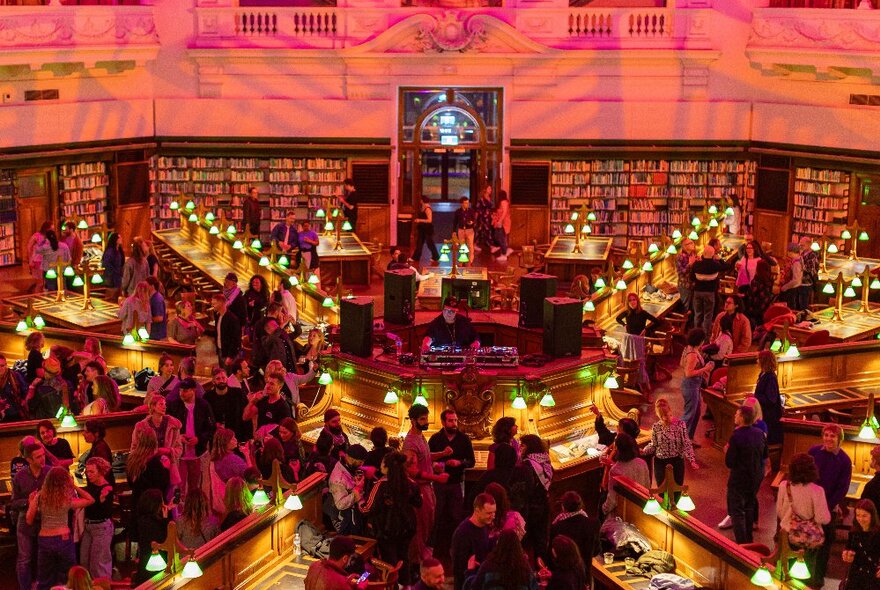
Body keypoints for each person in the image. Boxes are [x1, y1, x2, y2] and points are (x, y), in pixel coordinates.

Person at [27, 466, 95, 589]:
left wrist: (32, 501)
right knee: (68, 577)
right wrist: (74, 486)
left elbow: (29, 520)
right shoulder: (66, 499)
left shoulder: (40, 497)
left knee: (45, 579)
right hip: (63, 538)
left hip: (45, 539)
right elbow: (90, 500)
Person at [360, 451, 422, 584]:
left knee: (389, 561)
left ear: (387, 466)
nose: (380, 464)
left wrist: (358, 497)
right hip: (406, 528)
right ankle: (406, 585)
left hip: (386, 529)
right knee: (404, 558)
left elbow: (367, 509)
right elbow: (419, 502)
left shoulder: (381, 485)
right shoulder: (410, 483)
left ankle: (391, 585)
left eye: (383, 462)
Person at [404, 404, 449, 564]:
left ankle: (422, 554)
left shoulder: (420, 436)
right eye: (422, 419)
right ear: (413, 420)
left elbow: (426, 456)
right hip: (420, 490)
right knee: (420, 527)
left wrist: (440, 456)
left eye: (426, 418)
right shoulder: (410, 443)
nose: (426, 422)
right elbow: (412, 471)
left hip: (428, 489)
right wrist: (437, 478)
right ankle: (416, 561)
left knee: (428, 524)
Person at [777, 453, 831, 585]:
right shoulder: (817, 490)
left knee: (787, 571)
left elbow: (779, 512)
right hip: (809, 539)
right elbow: (823, 518)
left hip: (788, 534)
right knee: (806, 575)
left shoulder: (785, 486)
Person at [809, 423, 853, 586]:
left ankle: (818, 577)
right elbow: (808, 476)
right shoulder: (814, 452)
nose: (828, 438)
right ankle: (803, 573)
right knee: (807, 542)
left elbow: (842, 489)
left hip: (829, 509)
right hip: (810, 507)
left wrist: (825, 507)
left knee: (824, 545)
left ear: (839, 439)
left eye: (832, 436)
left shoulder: (844, 461)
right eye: (826, 435)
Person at [428, 409, 476, 554]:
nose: (454, 423)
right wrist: (434, 466)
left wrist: (459, 463)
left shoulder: (464, 439)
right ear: (443, 422)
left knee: (456, 517)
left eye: (455, 420)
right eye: (450, 420)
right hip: (438, 484)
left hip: (456, 483)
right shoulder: (435, 439)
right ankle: (432, 549)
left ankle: (456, 548)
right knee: (435, 517)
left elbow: (471, 461)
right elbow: (427, 460)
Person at [724, 405, 767, 544]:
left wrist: (727, 451)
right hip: (755, 477)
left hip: (739, 478)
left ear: (742, 418)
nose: (735, 416)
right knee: (749, 506)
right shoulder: (759, 433)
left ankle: (741, 544)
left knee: (737, 510)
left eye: (737, 414)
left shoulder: (736, 436)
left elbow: (730, 462)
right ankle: (749, 540)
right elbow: (764, 454)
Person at [168, 377, 216, 499]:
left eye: (185, 390)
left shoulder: (203, 406)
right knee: (180, 486)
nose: (181, 393)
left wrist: (199, 439)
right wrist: (179, 437)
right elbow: (169, 429)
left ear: (193, 390)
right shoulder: (174, 406)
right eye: (180, 390)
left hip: (197, 453)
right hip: (180, 455)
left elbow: (211, 428)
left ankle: (193, 508)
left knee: (195, 486)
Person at [12, 442, 50, 590]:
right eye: (38, 457)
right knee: (24, 559)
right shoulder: (20, 476)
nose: (43, 459)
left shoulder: (50, 472)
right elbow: (14, 502)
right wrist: (29, 501)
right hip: (26, 523)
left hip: (46, 521)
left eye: (43, 455)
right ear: (29, 460)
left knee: (44, 558)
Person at [643, 398, 698, 488]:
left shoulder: (680, 424)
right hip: (660, 462)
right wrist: (644, 450)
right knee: (661, 491)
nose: (665, 418)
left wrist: (692, 460)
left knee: (677, 490)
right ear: (658, 415)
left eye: (667, 415)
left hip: (677, 461)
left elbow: (686, 443)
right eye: (662, 416)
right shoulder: (656, 427)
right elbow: (654, 445)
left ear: (670, 411)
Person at [515, 434, 553, 560]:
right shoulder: (544, 459)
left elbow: (526, 489)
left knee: (529, 541)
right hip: (544, 504)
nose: (520, 447)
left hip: (532, 508)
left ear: (529, 447)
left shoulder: (528, 465)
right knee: (541, 540)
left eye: (523, 445)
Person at [451, 492, 497, 590]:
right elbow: (458, 568)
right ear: (477, 511)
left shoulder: (485, 526)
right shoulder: (462, 533)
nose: (493, 516)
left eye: (494, 512)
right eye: (489, 513)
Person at [80, 457, 115, 580]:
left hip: (101, 528)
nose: (88, 475)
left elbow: (93, 500)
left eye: (91, 472)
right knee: (84, 561)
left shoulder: (107, 488)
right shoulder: (92, 485)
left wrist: (74, 486)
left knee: (98, 565)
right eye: (87, 472)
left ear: (100, 471)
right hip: (89, 526)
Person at [467, 529, 537, 590]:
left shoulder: (488, 566)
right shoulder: (525, 569)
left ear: (499, 544)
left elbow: (473, 587)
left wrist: (470, 572)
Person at [616, 292, 658, 393]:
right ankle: (632, 381)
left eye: (634, 300)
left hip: (638, 340)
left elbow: (656, 321)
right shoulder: (627, 312)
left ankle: (643, 382)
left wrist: (646, 329)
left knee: (639, 362)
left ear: (637, 301)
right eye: (630, 300)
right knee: (628, 361)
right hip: (629, 339)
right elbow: (617, 318)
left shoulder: (643, 313)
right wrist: (624, 325)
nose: (632, 302)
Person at [602, 433, 649, 515]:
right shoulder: (642, 463)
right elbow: (647, 487)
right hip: (641, 507)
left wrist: (604, 509)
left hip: (625, 511)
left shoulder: (615, 470)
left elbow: (612, 500)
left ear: (617, 449)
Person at [549, 491, 599, 570]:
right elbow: (597, 550)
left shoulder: (557, 527)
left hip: (564, 573)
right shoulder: (593, 524)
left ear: (563, 507)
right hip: (584, 572)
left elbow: (551, 554)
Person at [680, 328, 714, 440]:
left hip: (693, 385)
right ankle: (678, 438)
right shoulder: (692, 355)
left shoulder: (689, 349)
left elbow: (682, 364)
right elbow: (688, 373)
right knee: (689, 414)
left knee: (696, 412)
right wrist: (705, 369)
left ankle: (688, 438)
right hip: (691, 385)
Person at [328, 443, 369, 535]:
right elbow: (340, 504)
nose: (362, 464)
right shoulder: (339, 479)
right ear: (350, 459)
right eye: (360, 462)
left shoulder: (346, 466)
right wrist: (356, 492)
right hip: (344, 518)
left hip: (353, 513)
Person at [304, 535, 369, 590]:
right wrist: (360, 588)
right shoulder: (341, 584)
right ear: (345, 558)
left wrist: (346, 580)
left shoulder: (314, 565)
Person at [133, 488, 169, 584]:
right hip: (155, 566)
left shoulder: (142, 520)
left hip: (145, 563)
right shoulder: (153, 524)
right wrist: (165, 520)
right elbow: (164, 541)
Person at [690, 244, 728, 336]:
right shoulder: (715, 265)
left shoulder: (696, 265)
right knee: (708, 315)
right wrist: (720, 259)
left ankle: (695, 335)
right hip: (709, 292)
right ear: (713, 254)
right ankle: (705, 337)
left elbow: (692, 278)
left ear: (703, 253)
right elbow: (726, 267)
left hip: (698, 292)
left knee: (697, 314)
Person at [842, 498, 880, 590]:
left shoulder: (878, 533)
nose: (860, 519)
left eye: (864, 516)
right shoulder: (854, 532)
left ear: (872, 516)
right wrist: (846, 555)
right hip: (855, 573)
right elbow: (848, 548)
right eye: (858, 515)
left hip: (872, 574)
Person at [205, 367, 248, 441]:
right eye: (218, 379)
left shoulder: (238, 394)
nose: (221, 380)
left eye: (223, 378)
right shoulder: (207, 397)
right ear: (213, 381)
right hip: (217, 437)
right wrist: (214, 425)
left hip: (237, 436)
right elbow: (205, 417)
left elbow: (246, 415)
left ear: (227, 378)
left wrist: (248, 437)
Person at [753, 350, 783, 449]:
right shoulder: (763, 373)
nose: (757, 361)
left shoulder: (770, 377)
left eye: (759, 359)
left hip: (769, 416)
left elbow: (771, 399)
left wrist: (754, 396)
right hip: (763, 412)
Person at [213, 291, 242, 366]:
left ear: (222, 303)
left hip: (228, 354)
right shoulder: (218, 316)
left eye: (214, 303)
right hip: (221, 350)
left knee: (229, 375)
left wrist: (230, 356)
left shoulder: (232, 319)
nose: (213, 305)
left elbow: (236, 339)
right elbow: (218, 332)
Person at [411, 195, 440, 265]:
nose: (420, 201)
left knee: (430, 243)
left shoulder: (427, 208)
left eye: (421, 200)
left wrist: (419, 220)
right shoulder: (423, 207)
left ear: (422, 200)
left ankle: (436, 256)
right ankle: (415, 257)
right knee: (419, 243)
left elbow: (429, 220)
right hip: (422, 228)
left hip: (427, 229)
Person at [0, 353, 26, 422]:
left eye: (2, 366)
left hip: (15, 413)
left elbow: (25, 391)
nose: (0, 368)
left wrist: (23, 401)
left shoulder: (15, 376)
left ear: (6, 365)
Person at [780, 242, 805, 311]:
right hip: (795, 289)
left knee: (789, 309)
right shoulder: (799, 259)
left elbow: (796, 280)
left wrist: (785, 287)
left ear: (791, 252)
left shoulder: (796, 263)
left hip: (792, 290)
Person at [491, 189, 514, 262]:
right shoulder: (503, 202)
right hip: (501, 222)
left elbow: (504, 213)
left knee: (501, 237)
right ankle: (504, 250)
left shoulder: (503, 202)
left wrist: (500, 221)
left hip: (503, 223)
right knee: (498, 236)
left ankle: (504, 253)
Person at [27, 221, 50, 292]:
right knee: (40, 283)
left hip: (46, 261)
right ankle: (37, 297)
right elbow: (29, 247)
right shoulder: (36, 236)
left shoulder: (49, 236)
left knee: (44, 283)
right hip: (37, 261)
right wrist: (30, 260)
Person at [452, 197, 477, 264]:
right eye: (465, 203)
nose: (467, 204)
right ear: (462, 204)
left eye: (468, 203)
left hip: (469, 230)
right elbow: (455, 221)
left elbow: (474, 219)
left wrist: (472, 222)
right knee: (462, 245)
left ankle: (470, 260)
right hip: (461, 230)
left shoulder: (471, 211)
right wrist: (454, 231)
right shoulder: (458, 211)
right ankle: (462, 260)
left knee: (470, 245)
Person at [676, 238, 696, 314]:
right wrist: (690, 264)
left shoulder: (692, 254)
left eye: (692, 242)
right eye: (690, 243)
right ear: (684, 246)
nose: (692, 244)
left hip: (693, 284)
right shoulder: (680, 256)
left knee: (693, 307)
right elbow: (680, 272)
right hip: (685, 286)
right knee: (685, 307)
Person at [145, 276, 167, 340]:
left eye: (146, 285)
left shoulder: (157, 299)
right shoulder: (152, 297)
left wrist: (145, 318)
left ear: (152, 286)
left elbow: (159, 318)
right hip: (154, 332)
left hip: (156, 334)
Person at [800, 236, 820, 308]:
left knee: (804, 303)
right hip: (801, 281)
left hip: (808, 282)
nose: (801, 247)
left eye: (802, 245)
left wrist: (799, 266)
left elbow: (810, 269)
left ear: (809, 244)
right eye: (800, 245)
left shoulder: (813, 255)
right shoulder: (802, 253)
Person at [474, 185, 494, 251]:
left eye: (491, 188)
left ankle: (490, 246)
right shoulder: (481, 199)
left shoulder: (490, 198)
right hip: (482, 218)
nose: (490, 190)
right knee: (479, 231)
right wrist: (475, 219)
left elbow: (490, 209)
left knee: (488, 232)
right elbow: (477, 209)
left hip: (488, 218)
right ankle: (475, 245)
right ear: (485, 189)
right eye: (489, 188)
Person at [862, 446, 880, 510]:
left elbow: (863, 507)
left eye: (872, 457)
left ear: (875, 461)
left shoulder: (871, 486)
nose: (871, 459)